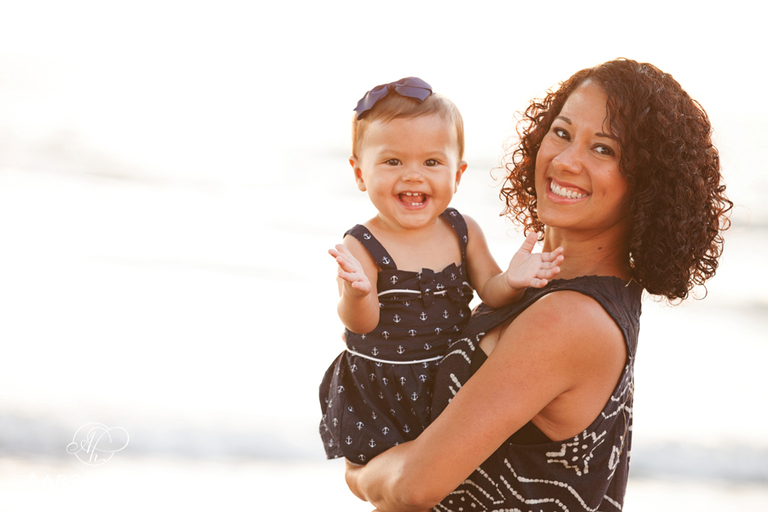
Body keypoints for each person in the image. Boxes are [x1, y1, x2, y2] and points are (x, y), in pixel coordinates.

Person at [344, 59, 733, 511]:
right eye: (562, 133)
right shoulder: (555, 289)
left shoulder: (567, 318)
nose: (565, 161)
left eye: (603, 149)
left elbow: (414, 486)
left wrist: (358, 474)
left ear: (646, 182)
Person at [319, 77, 564, 465]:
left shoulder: (462, 231)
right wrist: (358, 294)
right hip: (385, 391)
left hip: (450, 381)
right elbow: (361, 323)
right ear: (360, 173)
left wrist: (513, 280)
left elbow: (491, 291)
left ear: (458, 174)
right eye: (393, 161)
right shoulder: (360, 245)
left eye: (431, 162)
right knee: (395, 479)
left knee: (452, 470)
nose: (413, 175)